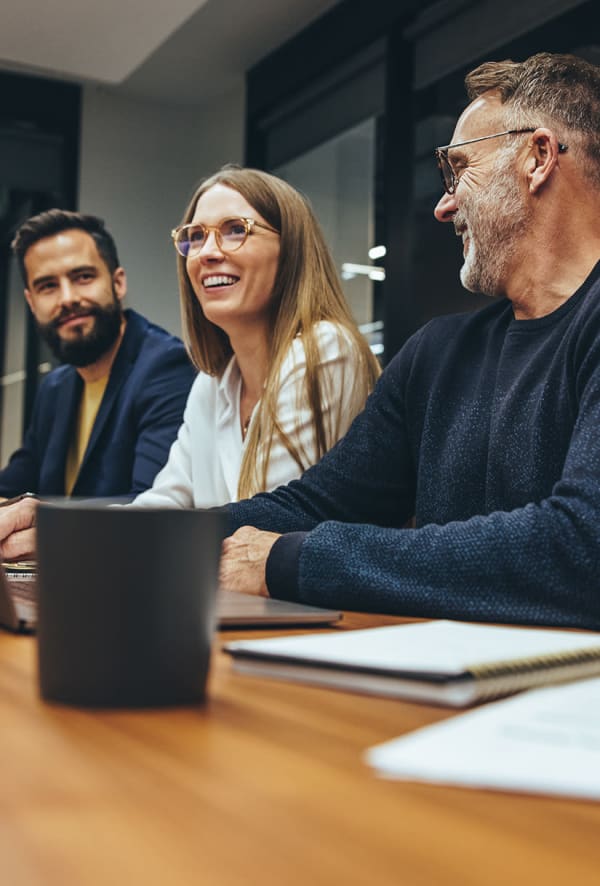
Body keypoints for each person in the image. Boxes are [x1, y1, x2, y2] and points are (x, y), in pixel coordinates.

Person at [215, 52, 600, 630]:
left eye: (458, 169)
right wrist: (127, 536)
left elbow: (578, 550)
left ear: (537, 157)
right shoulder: (437, 353)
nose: (444, 206)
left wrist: (293, 559)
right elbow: (315, 505)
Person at [130, 165, 380, 509]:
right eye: (197, 236)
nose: (207, 253)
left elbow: (265, 521)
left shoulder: (325, 349)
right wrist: (67, 528)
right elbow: (167, 500)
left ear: (291, 251)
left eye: (235, 230)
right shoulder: (213, 384)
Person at [0, 210, 195, 501]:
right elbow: (11, 488)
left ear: (118, 283)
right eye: (48, 286)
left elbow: (152, 509)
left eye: (83, 277)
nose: (67, 298)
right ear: (31, 301)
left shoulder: (166, 367)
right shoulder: (55, 388)